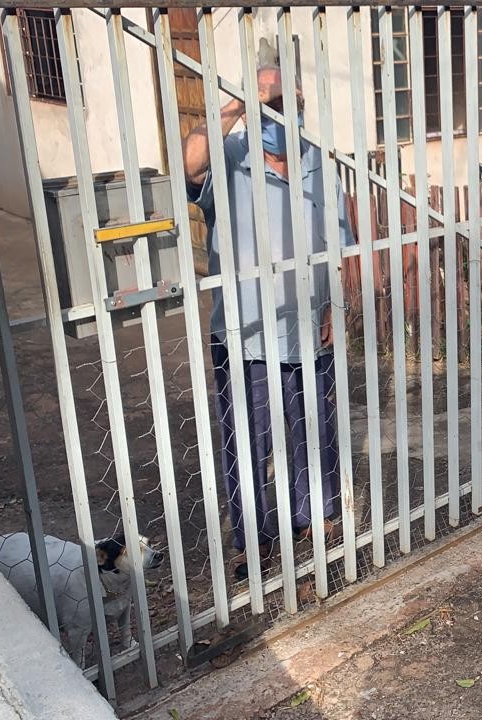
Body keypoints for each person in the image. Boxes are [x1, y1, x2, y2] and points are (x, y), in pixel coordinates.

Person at [182, 66, 350, 580]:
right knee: (248, 439)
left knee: (314, 432)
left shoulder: (319, 163)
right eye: (274, 103)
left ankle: (317, 514)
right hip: (244, 331)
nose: (284, 112)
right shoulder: (232, 159)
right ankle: (253, 536)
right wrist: (239, 104)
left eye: (291, 102)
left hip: (307, 326)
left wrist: (333, 306)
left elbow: (339, 240)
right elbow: (188, 163)